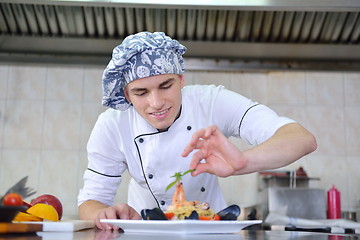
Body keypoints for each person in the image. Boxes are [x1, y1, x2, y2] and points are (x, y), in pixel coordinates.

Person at [78, 32, 317, 230]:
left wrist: (241, 162)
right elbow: (89, 202)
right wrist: (104, 212)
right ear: (127, 94)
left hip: (212, 233)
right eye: (141, 92)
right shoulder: (113, 125)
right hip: (146, 234)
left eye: (166, 86)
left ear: (181, 79)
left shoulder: (211, 101)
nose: (156, 102)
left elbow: (301, 139)